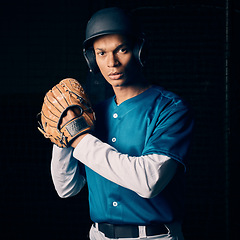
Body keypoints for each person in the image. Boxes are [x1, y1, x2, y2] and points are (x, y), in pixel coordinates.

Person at [50, 7, 194, 240]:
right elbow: (66, 188)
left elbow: (148, 182)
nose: (112, 63)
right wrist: (61, 136)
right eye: (101, 53)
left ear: (139, 51)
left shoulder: (171, 108)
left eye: (122, 50)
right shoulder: (93, 114)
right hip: (98, 235)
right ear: (92, 58)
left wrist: (78, 137)